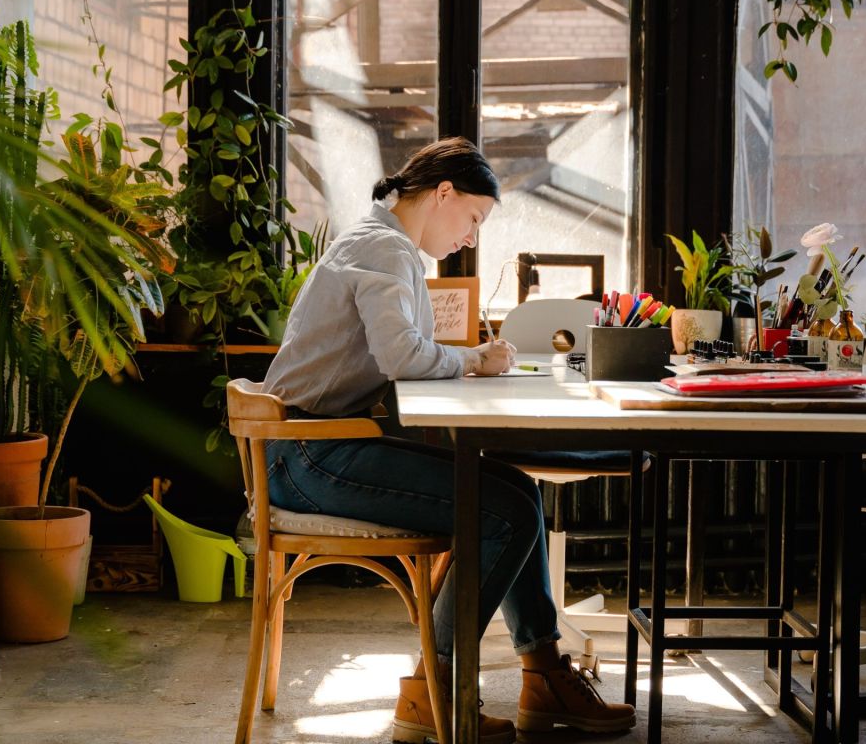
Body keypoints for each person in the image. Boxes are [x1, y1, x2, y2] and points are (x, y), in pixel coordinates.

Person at [261, 137, 636, 743]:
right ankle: (434, 691)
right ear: (443, 194)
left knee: (515, 492)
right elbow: (402, 355)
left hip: (311, 445)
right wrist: (474, 362)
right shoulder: (386, 249)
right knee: (509, 509)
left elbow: (396, 354)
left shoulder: (375, 241)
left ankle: (541, 676)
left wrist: (467, 360)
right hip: (310, 453)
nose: (470, 237)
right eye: (474, 218)